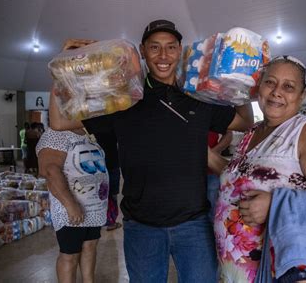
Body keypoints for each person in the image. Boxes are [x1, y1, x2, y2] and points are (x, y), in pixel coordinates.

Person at [49, 19, 254, 282]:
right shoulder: (122, 100)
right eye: (154, 47)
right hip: (141, 228)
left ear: (180, 51)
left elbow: (244, 122)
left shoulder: (198, 98)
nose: (163, 55)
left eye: (170, 47)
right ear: (142, 51)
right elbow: (59, 122)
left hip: (193, 225)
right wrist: (63, 69)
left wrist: (240, 86)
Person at [208, 56, 306, 282]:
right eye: (270, 82)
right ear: (259, 87)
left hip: (279, 269)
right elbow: (237, 176)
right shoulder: (253, 131)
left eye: (288, 87)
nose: (277, 92)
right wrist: (203, 152)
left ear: (302, 96)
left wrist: (275, 205)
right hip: (237, 270)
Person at [37, 127, 108, 283]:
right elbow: (50, 170)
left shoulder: (87, 131)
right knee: (70, 254)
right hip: (71, 209)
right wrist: (70, 204)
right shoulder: (56, 133)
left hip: (94, 208)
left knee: (90, 247)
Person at [93, 131, 122, 231]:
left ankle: (98, 220)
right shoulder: (113, 124)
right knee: (112, 194)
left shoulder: (92, 125)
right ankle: (111, 222)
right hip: (112, 164)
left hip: (98, 165)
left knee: (100, 193)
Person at [207, 130, 232, 221]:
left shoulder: (211, 116)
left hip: (212, 171)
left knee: (214, 208)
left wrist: (213, 152)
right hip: (189, 174)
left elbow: (229, 134)